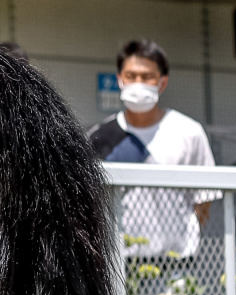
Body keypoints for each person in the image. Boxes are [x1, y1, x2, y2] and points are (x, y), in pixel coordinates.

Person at [84, 38, 217, 261]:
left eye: (147, 77)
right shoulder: (99, 137)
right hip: (119, 265)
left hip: (176, 264)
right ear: (120, 79)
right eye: (131, 76)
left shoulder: (189, 132)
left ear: (162, 82)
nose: (138, 83)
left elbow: (203, 202)